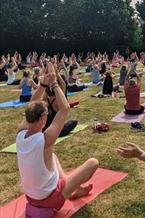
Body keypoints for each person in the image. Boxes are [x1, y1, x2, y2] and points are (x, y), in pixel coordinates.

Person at [16, 63, 99, 212]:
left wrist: (43, 84)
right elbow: (65, 108)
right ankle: (70, 188)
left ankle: (75, 189)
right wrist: (53, 83)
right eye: (46, 115)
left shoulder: (20, 133)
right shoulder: (45, 139)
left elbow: (33, 103)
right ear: (42, 119)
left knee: (52, 156)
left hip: (31, 197)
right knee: (93, 163)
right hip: (50, 200)